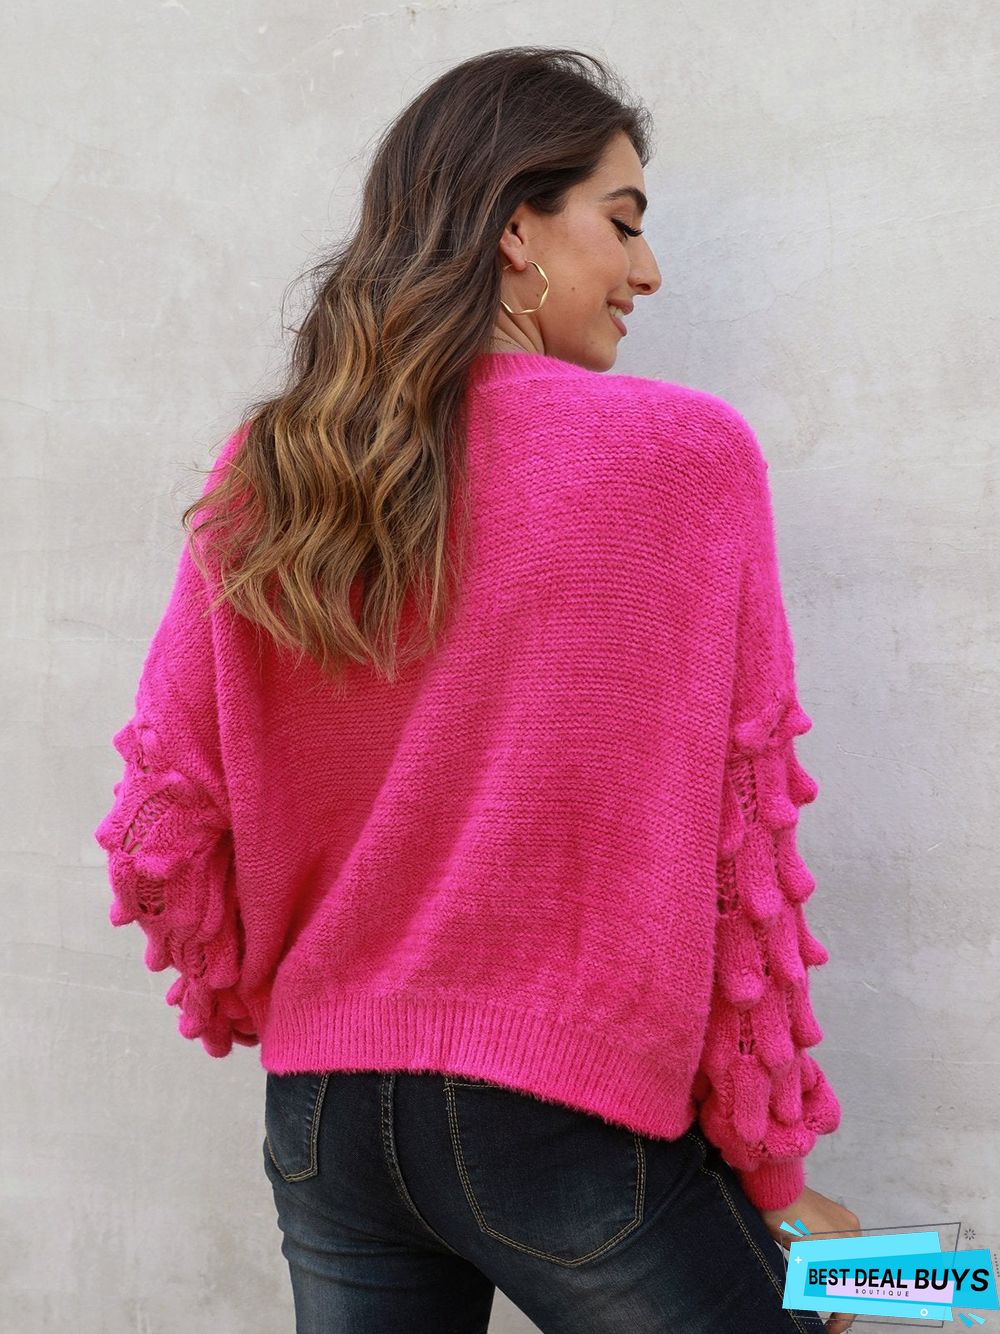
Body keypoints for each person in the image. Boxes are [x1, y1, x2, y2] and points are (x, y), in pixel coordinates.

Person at [93, 45, 862, 1334]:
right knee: (906, 1287)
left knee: (903, 1283)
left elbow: (159, 828)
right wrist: (778, 1180)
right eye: (623, 223)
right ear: (516, 229)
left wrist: (288, 1001)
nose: (648, 272)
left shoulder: (280, 464)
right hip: (564, 1123)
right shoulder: (684, 459)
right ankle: (936, 1278)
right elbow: (743, 854)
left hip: (325, 1118)